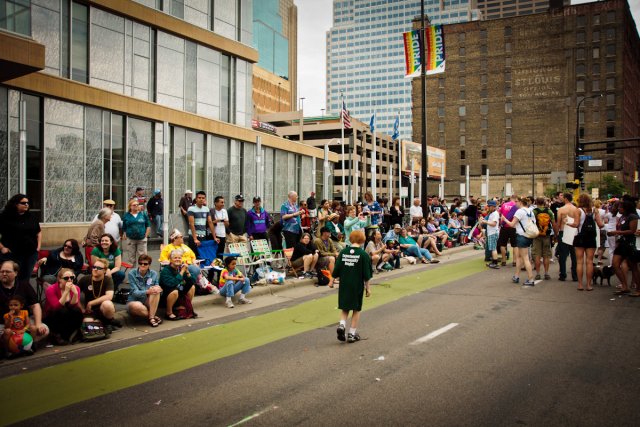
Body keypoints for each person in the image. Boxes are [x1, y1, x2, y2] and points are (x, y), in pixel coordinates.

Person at [330, 230, 372, 343]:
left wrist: (331, 281)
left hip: (344, 284)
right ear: (362, 240)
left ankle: (342, 325)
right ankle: (351, 334)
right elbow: (367, 275)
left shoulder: (343, 252)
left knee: (345, 307)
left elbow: (337, 268)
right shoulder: (363, 255)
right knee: (356, 309)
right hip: (356, 285)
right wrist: (368, 289)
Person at [0, 261, 49, 348]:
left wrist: (38, 324)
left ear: (15, 273)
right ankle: (11, 347)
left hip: (24, 322)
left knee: (45, 330)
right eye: (2, 271)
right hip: (3, 324)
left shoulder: (24, 285)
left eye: (7, 272)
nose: (4, 274)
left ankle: (27, 345)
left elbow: (35, 305)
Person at [0, 194, 41, 283]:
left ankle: (21, 296)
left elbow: (38, 232)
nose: (26, 204)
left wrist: (38, 247)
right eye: (23, 203)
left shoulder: (32, 217)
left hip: (30, 254)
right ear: (15, 204)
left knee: (25, 278)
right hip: (12, 253)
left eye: (27, 203)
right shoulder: (4, 217)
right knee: (11, 278)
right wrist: (2, 247)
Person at [567, 194, 604, 291]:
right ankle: (588, 285)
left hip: (580, 238)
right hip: (591, 238)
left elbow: (576, 224)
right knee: (589, 262)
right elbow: (600, 225)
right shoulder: (595, 210)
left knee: (579, 262)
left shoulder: (578, 210)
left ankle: (580, 284)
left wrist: (567, 223)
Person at [501, 197, 535, 286]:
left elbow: (512, 224)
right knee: (520, 257)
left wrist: (504, 220)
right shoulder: (530, 211)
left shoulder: (519, 211)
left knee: (525, 258)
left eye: (516, 202)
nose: (515, 203)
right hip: (528, 235)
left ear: (520, 202)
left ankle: (531, 279)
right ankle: (516, 276)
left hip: (521, 235)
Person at [43, 268, 83, 345]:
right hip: (53, 316)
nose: (69, 280)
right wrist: (66, 292)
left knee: (77, 310)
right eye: (66, 278)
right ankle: (56, 335)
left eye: (71, 278)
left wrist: (75, 294)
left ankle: (73, 333)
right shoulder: (51, 289)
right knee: (62, 310)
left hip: (67, 315)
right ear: (59, 279)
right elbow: (56, 306)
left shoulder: (76, 288)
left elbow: (73, 305)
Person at [77, 258, 120, 328]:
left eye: (99, 268)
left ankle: (107, 321)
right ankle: (103, 323)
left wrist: (91, 303)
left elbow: (109, 296)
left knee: (108, 304)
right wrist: (81, 308)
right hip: (89, 311)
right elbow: (75, 294)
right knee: (88, 324)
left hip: (103, 309)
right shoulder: (85, 279)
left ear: (105, 270)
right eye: (94, 267)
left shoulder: (108, 280)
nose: (95, 269)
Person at [608, 198, 639, 296]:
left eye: (621, 207)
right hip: (622, 243)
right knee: (615, 264)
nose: (619, 209)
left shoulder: (633, 216)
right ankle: (625, 286)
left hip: (629, 244)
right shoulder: (622, 217)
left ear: (626, 208)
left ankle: (638, 289)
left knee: (633, 266)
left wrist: (616, 232)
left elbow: (632, 231)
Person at [159, 250, 196, 320]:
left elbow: (192, 282)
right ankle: (168, 313)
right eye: (175, 258)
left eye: (179, 258)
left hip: (179, 294)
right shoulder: (165, 271)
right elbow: (172, 284)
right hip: (166, 297)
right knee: (174, 291)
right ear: (170, 259)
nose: (177, 259)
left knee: (192, 287)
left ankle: (187, 307)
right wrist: (182, 272)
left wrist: (187, 272)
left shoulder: (181, 269)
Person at [127, 254, 162, 327]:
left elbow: (157, 286)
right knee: (136, 306)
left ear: (149, 265)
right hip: (135, 300)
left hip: (148, 301)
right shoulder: (132, 273)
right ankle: (152, 316)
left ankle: (151, 317)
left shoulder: (154, 274)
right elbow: (135, 293)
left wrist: (158, 288)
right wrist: (147, 291)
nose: (142, 265)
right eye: (140, 263)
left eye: (145, 264)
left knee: (156, 290)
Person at [555, 193, 579, 282]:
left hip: (563, 231)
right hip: (574, 232)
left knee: (563, 255)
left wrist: (556, 233)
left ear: (565, 199)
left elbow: (558, 222)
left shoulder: (561, 209)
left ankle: (563, 274)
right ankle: (575, 275)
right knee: (574, 255)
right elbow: (578, 222)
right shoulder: (576, 209)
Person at [531, 197, 556, 280]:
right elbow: (553, 223)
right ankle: (546, 273)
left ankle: (538, 273)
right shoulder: (549, 211)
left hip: (537, 235)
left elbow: (530, 222)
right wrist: (556, 234)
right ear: (544, 202)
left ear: (536, 202)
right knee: (546, 255)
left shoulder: (534, 211)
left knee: (537, 255)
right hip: (546, 235)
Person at [122, 198, 151, 265]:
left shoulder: (143, 214)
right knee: (131, 258)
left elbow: (148, 225)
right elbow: (124, 227)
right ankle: (132, 273)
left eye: (137, 205)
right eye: (134, 205)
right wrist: (124, 234)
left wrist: (146, 235)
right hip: (131, 239)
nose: (136, 206)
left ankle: (142, 272)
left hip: (141, 239)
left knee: (143, 257)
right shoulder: (126, 215)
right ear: (130, 206)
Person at [188, 191, 215, 255]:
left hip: (203, 236)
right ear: (196, 199)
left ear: (205, 199)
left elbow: (210, 222)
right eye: (199, 198)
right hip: (194, 236)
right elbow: (191, 224)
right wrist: (195, 239)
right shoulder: (191, 209)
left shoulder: (206, 209)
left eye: (203, 198)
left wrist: (214, 237)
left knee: (202, 255)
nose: (201, 199)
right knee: (194, 255)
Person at [497, 195, 518, 267]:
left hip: (504, 227)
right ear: (515, 199)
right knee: (515, 245)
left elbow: (500, 213)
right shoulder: (517, 206)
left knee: (503, 244)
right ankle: (514, 261)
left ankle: (503, 260)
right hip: (514, 227)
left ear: (510, 199)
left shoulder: (504, 205)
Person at [481, 200, 500, 269]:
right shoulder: (492, 213)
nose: (488, 207)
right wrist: (485, 220)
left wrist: (485, 222)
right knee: (492, 248)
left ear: (493, 207)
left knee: (493, 248)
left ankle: (495, 262)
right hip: (492, 233)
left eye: (489, 206)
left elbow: (494, 224)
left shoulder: (495, 213)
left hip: (493, 233)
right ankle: (494, 262)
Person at [211, 195, 229, 259]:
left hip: (223, 235)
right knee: (214, 252)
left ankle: (220, 266)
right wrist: (216, 221)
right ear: (215, 203)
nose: (223, 204)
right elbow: (209, 223)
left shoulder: (224, 211)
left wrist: (225, 221)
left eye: (223, 202)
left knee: (221, 253)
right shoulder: (212, 211)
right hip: (214, 235)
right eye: (221, 202)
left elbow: (227, 224)